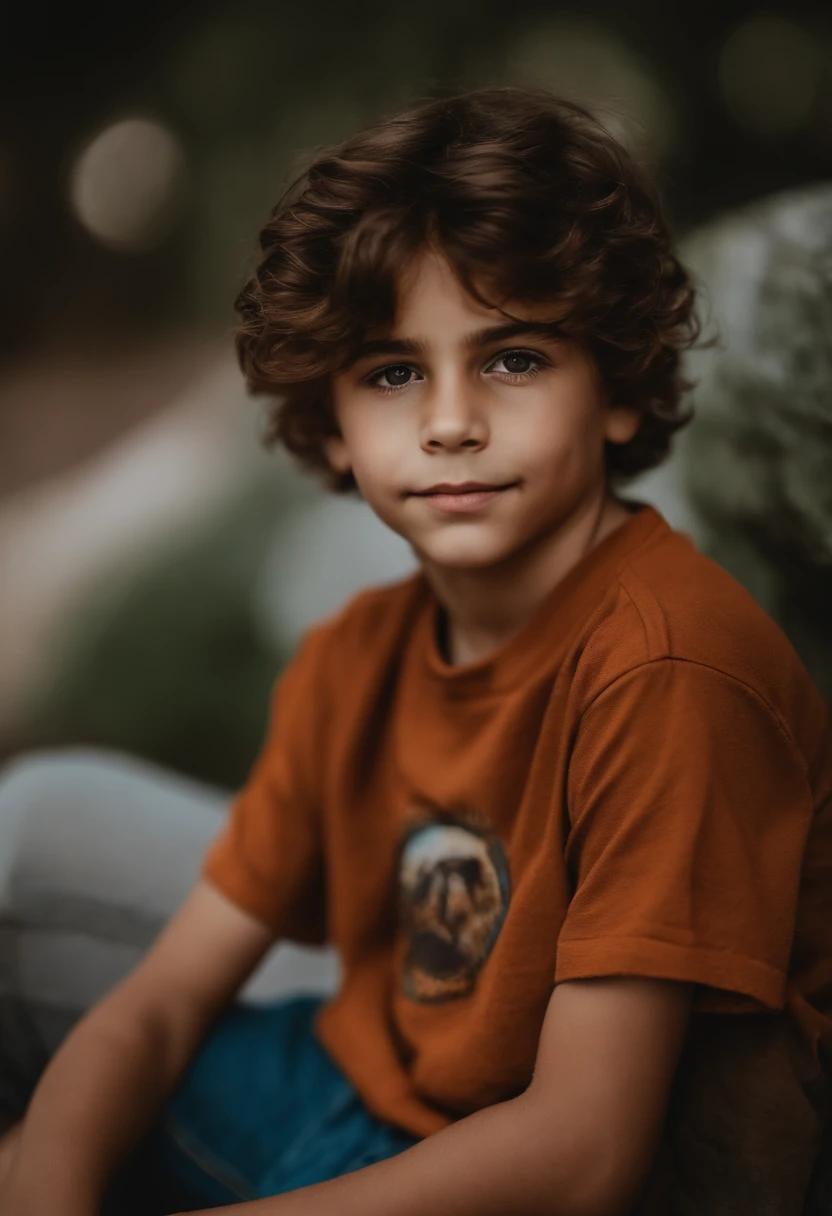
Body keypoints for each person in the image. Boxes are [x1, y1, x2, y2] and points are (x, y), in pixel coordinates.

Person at [1, 85, 832, 1216]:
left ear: (619, 392)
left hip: (525, 1164)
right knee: (44, 1136)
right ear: (334, 426)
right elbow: (160, 1000)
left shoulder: (668, 669)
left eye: (513, 359)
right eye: (394, 372)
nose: (449, 420)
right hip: (352, 1079)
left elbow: (582, 1153)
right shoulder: (361, 650)